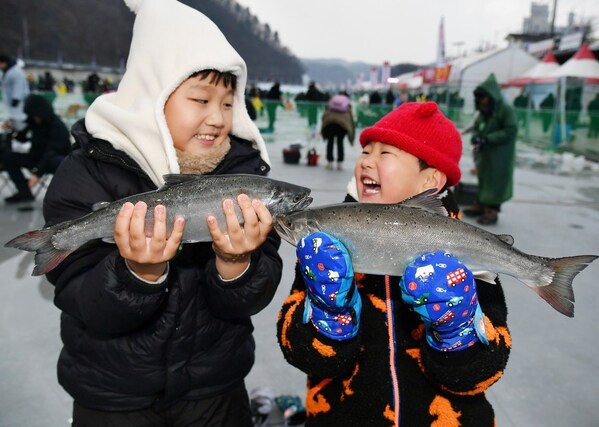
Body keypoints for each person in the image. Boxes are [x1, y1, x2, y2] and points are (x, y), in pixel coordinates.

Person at [42, 0, 281, 425]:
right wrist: (138, 272)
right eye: (200, 99)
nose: (217, 118)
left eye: (228, 103)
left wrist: (236, 262)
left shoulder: (244, 178)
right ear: (152, 95)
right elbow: (84, 300)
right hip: (112, 395)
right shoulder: (89, 170)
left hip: (216, 391)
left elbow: (249, 299)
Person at [277, 101, 511, 426]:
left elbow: (482, 373)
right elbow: (304, 355)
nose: (367, 162)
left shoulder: (463, 254)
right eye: (365, 151)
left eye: (386, 154)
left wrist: (456, 330)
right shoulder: (328, 243)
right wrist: (326, 312)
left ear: (430, 181)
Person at [463, 73, 517, 225]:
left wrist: (489, 138)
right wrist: (477, 137)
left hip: (500, 154)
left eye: (484, 97)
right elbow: (477, 127)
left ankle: (493, 209)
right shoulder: (485, 111)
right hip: (485, 154)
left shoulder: (505, 110)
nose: (481, 101)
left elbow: (510, 130)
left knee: (497, 181)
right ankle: (481, 204)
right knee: (484, 178)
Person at [2, 94, 71, 204]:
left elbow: (51, 151)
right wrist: (12, 131)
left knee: (57, 161)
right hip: (38, 157)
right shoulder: (34, 122)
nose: (34, 118)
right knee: (8, 157)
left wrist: (38, 173)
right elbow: (23, 138)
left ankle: (66, 196)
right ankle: (24, 192)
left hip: (53, 160)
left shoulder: (57, 126)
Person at [320, 92, 355, 170]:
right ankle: (340, 163)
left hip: (330, 122)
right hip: (342, 124)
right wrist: (351, 139)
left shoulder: (332, 100)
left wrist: (323, 130)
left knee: (330, 142)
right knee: (340, 142)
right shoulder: (347, 104)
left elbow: (325, 113)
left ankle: (329, 162)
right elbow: (351, 121)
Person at [0, 53, 30, 133]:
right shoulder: (5, 72)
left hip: (18, 101)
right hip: (10, 101)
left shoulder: (16, 72)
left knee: (19, 119)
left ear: (4, 63)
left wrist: (16, 98)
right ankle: (14, 135)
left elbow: (19, 85)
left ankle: (21, 136)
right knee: (11, 119)